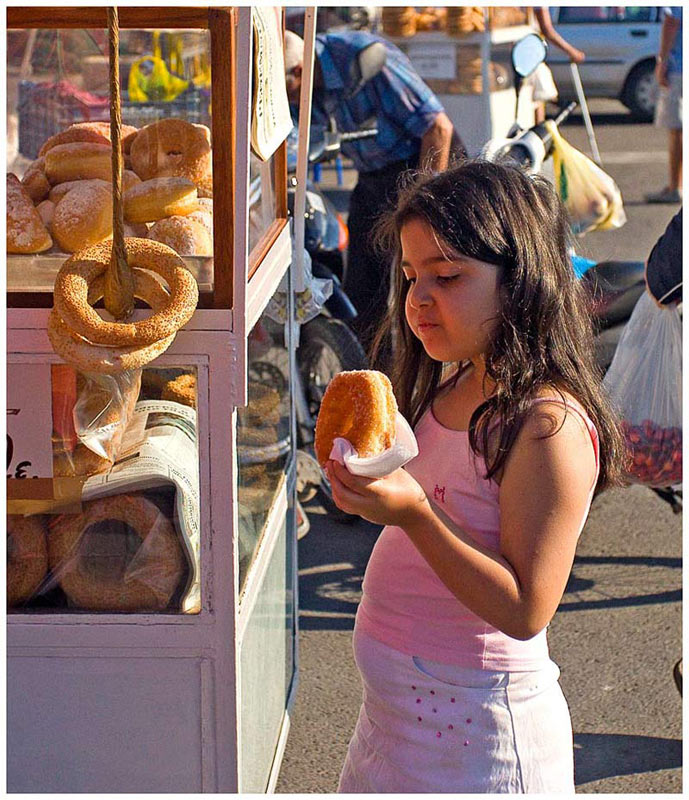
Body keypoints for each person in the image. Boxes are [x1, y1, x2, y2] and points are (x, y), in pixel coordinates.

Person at [325, 161, 627, 793]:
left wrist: (412, 513)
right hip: (393, 727)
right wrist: (369, 494)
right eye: (411, 276)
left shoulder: (548, 424)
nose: (419, 297)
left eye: (448, 275)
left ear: (520, 281)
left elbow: (525, 608)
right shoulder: (458, 380)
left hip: (477, 740)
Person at [284, 29, 463, 361]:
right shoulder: (297, 81)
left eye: (289, 90)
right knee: (363, 291)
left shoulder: (363, 58)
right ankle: (370, 375)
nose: (288, 99)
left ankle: (425, 371)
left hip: (423, 164)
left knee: (420, 278)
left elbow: (438, 129)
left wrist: (425, 202)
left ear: (298, 72)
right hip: (373, 175)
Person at [645, 7, 682, 203]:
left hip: (680, 68)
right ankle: (675, 185)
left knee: (677, 129)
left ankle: (676, 186)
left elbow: (672, 21)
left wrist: (662, 61)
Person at [528, 8, 586, 123]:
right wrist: (571, 51)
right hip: (531, 55)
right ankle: (537, 136)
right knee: (537, 100)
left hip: (521, 54)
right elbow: (547, 29)